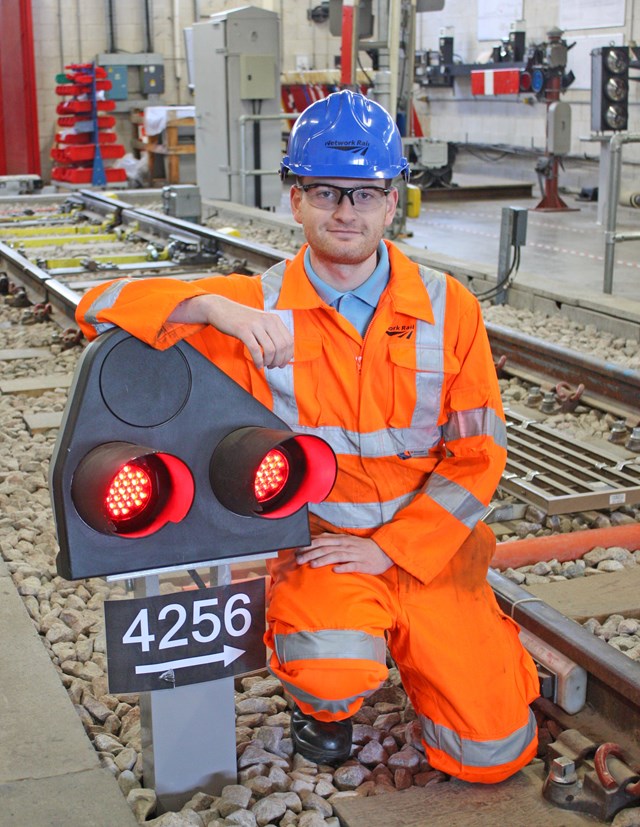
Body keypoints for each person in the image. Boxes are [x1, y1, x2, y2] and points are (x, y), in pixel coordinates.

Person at [76, 90, 540, 783]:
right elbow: (98, 307)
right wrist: (205, 307)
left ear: (393, 203)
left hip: (431, 555)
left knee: (493, 751)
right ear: (295, 199)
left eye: (364, 193)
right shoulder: (252, 306)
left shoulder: (449, 310)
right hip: (324, 552)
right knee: (330, 669)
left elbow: (478, 455)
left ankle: (438, 665)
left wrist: (390, 546)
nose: (345, 211)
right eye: (325, 190)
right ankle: (325, 703)